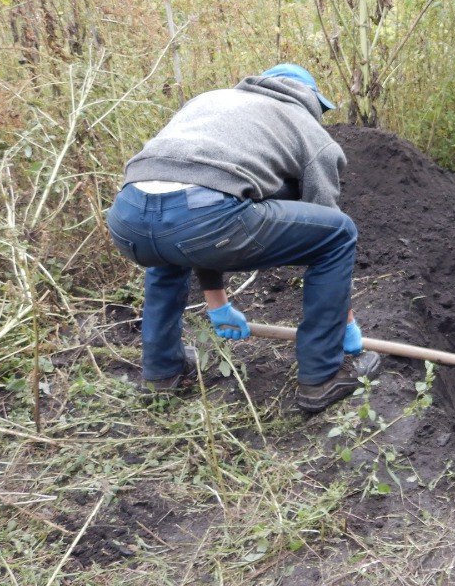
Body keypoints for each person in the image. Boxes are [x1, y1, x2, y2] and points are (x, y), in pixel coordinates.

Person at [106, 63, 380, 413]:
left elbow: (187, 204)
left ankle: (163, 372)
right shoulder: (308, 130)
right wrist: (346, 321)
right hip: (202, 215)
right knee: (340, 234)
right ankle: (323, 375)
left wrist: (217, 303)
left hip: (127, 216)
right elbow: (324, 224)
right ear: (310, 99)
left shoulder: (210, 101)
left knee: (169, 245)